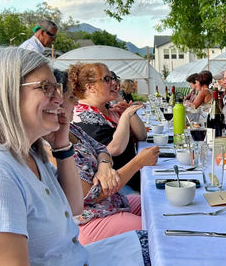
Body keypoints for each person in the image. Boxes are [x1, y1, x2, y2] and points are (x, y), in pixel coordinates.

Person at [0, 47, 89, 265]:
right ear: (7, 92)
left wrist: (62, 147)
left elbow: (74, 207)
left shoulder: (29, 155)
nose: (59, 99)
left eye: (58, 88)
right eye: (46, 87)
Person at [49, 69, 158, 247]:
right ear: (56, 103)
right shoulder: (52, 143)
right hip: (90, 219)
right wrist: (139, 162)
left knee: (158, 203)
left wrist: (104, 166)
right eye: (71, 98)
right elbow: (91, 194)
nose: (76, 101)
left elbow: (101, 148)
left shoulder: (71, 129)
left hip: (111, 202)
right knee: (157, 233)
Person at [69, 62, 147, 192]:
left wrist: (126, 110)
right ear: (90, 87)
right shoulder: (84, 116)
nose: (114, 83)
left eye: (114, 78)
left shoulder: (109, 109)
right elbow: (113, 148)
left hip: (131, 179)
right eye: (107, 79)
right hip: (115, 188)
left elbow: (142, 135)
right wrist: (126, 115)